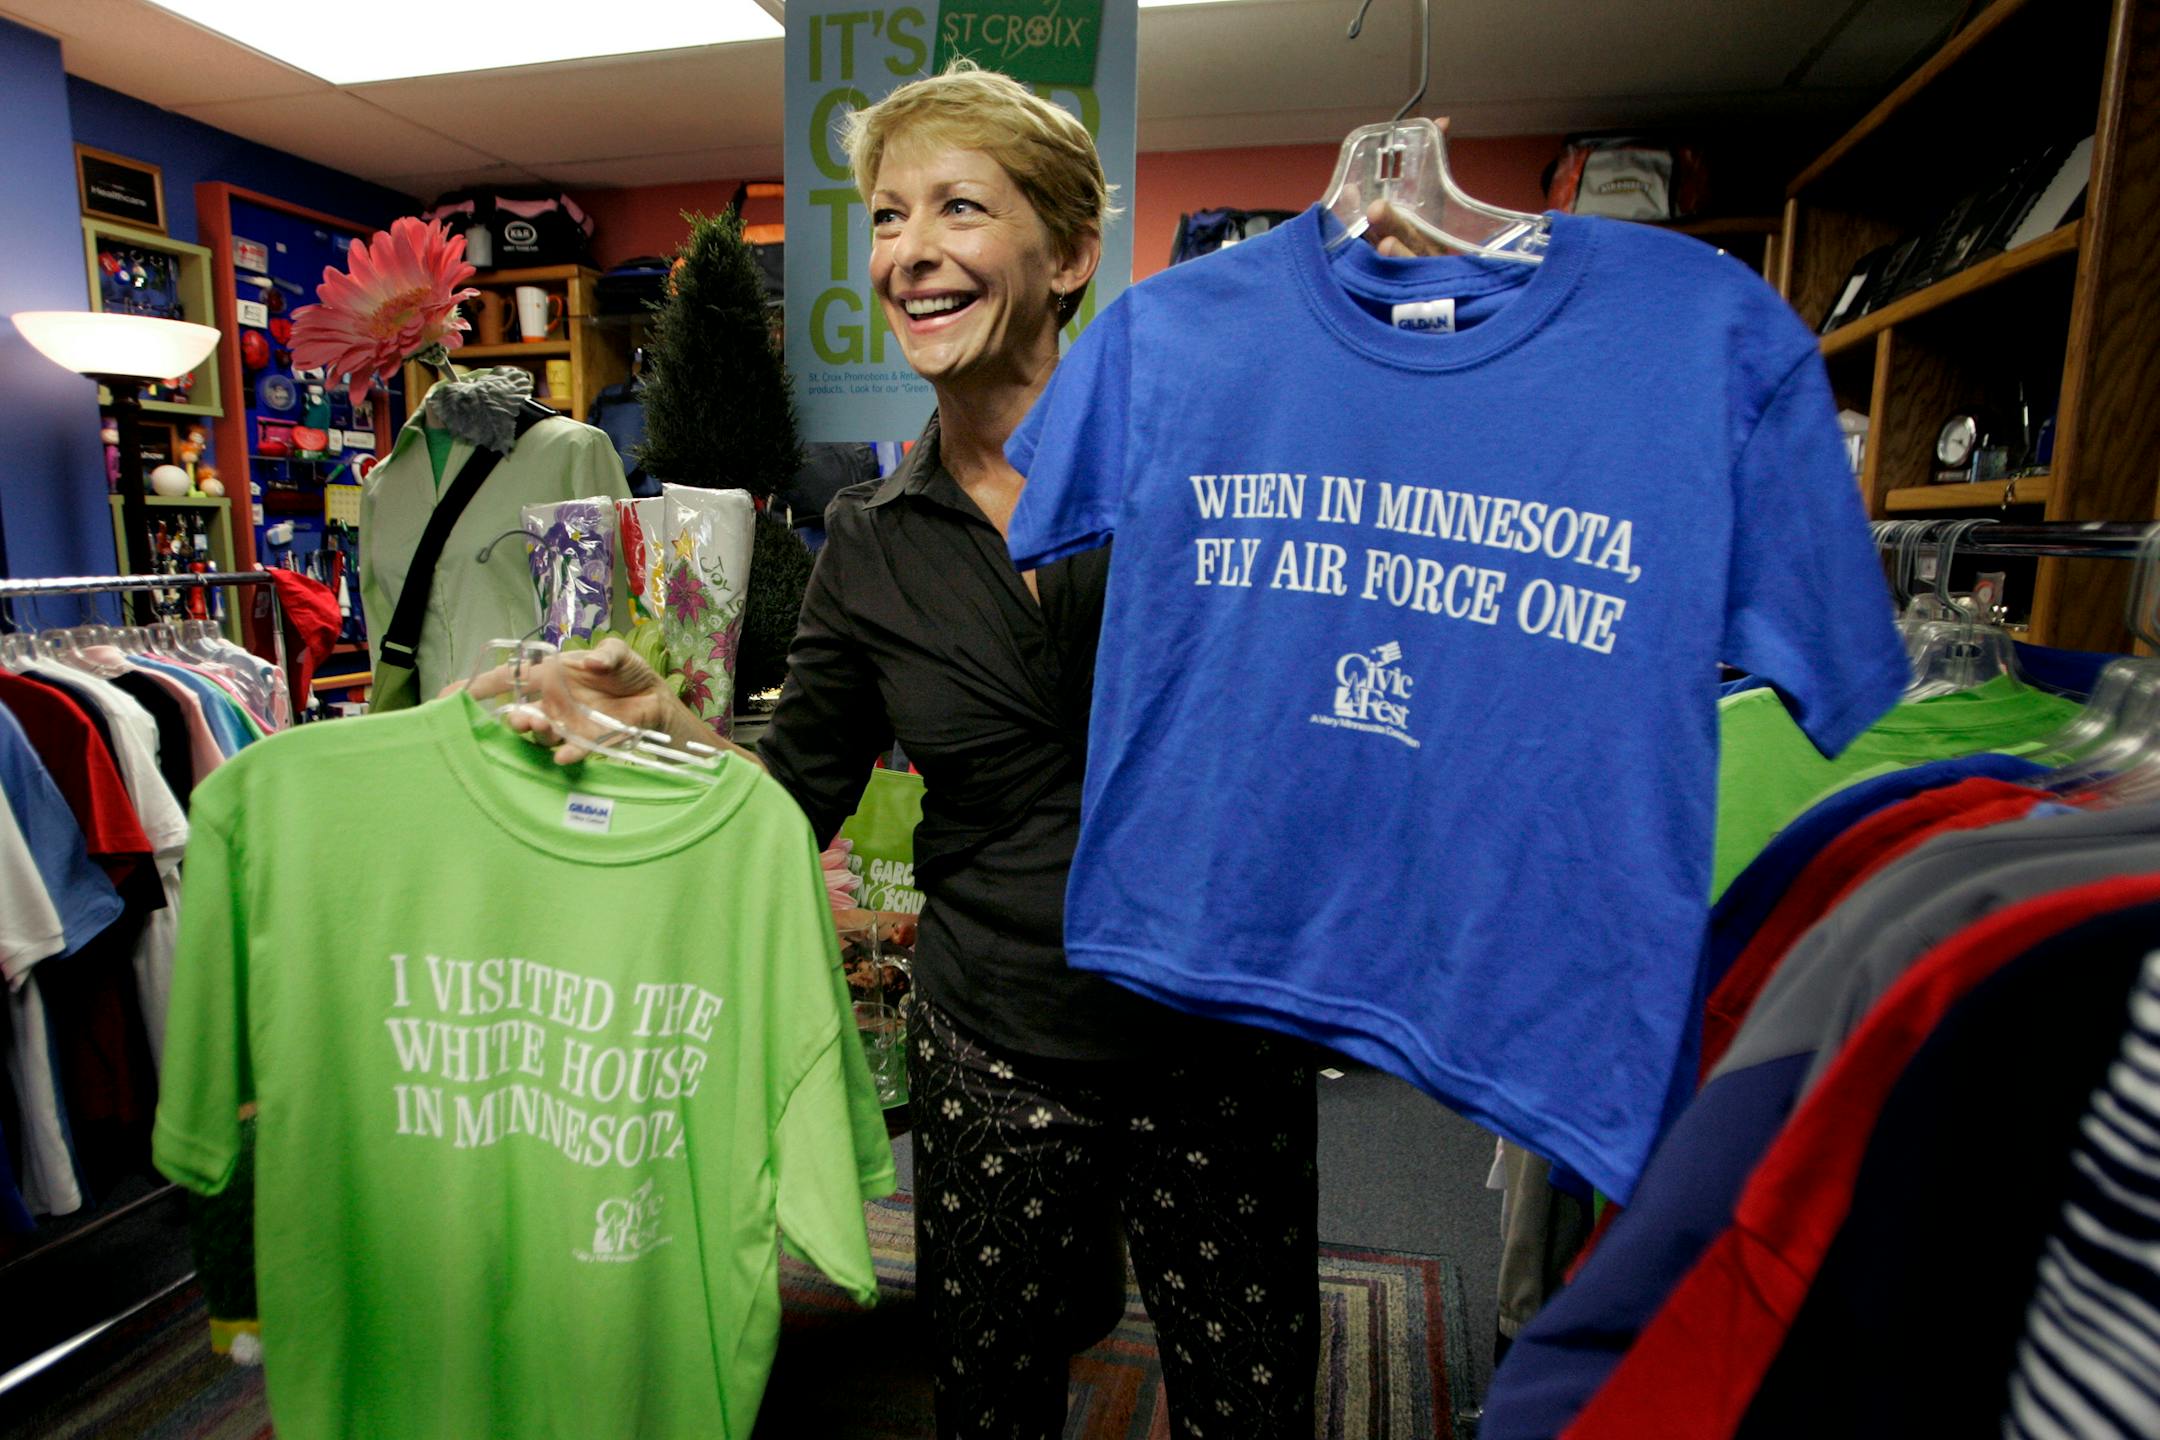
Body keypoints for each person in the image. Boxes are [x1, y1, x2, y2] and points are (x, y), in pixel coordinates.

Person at [484, 62, 1322, 1440]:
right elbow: (788, 791)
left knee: (1251, 1399)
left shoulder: (1213, 479)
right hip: (998, 1040)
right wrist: (661, 717)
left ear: (1068, 256)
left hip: (1218, 1031)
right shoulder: (869, 545)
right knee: (991, 1401)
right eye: (886, 217)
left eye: (958, 209)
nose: (910, 253)